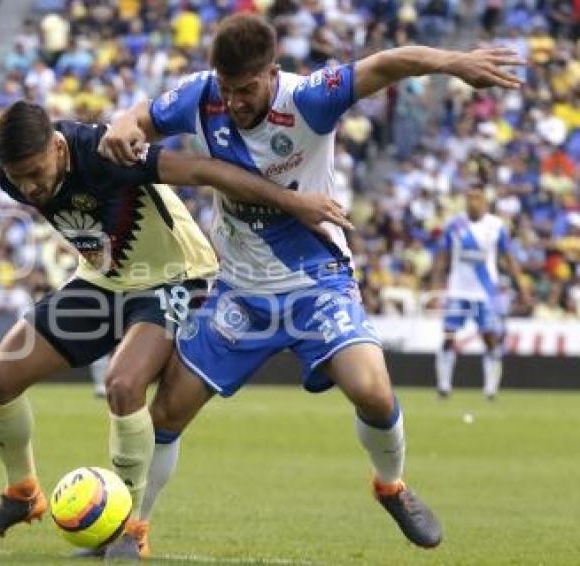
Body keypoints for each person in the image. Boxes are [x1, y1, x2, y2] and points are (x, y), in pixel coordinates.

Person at [99, 13, 524, 556]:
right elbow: (142, 117)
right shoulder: (201, 96)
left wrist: (453, 63)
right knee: (166, 413)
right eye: (227, 89)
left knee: (372, 391)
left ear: (272, 73)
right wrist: (123, 123)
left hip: (316, 283)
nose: (233, 102)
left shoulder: (309, 99)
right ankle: (136, 528)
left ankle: (390, 485)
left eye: (246, 89)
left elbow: (387, 63)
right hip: (240, 290)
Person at [0, 100, 350, 551]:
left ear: (58, 146)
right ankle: (21, 493)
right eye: (18, 177)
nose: (28, 187)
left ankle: (129, 528)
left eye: (35, 173)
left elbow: (201, 169)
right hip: (105, 281)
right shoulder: (11, 165)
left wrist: (293, 202)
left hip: (178, 276)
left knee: (123, 384)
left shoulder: (108, 153)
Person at [431, 185, 529, 400]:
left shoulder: (496, 226)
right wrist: (435, 287)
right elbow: (442, 256)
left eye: (477, 198)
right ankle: (444, 385)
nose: (472, 202)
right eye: (469, 198)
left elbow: (508, 258)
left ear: (485, 202)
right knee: (448, 336)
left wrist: (521, 287)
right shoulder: (454, 225)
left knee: (490, 337)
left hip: (486, 292)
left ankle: (491, 388)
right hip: (458, 290)